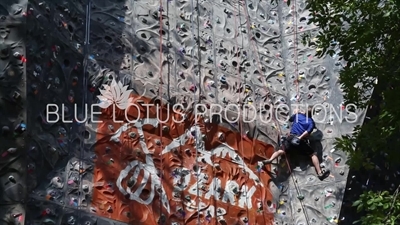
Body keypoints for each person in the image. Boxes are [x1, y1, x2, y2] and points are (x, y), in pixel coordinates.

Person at [259, 107, 330, 180]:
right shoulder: (311, 122)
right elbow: (308, 132)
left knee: (281, 151)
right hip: (299, 141)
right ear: (312, 114)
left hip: (291, 138)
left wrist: (296, 113)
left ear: (304, 112)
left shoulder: (298, 116)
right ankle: (320, 173)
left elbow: (290, 119)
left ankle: (270, 160)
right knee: (313, 154)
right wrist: (300, 138)